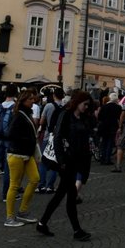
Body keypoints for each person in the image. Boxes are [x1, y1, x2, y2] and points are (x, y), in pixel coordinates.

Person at [36, 91, 93, 240]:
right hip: (65, 162)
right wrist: (61, 161)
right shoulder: (66, 115)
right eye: (84, 104)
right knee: (71, 195)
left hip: (75, 160)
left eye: (88, 105)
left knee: (61, 194)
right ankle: (77, 231)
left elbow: (85, 139)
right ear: (77, 102)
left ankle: (42, 223)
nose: (86, 107)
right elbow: (58, 137)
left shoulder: (84, 117)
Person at [4, 89, 40, 227]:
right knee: (14, 185)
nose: (33, 101)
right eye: (30, 99)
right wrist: (28, 140)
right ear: (24, 100)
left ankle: (23, 211)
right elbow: (11, 134)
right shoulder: (18, 115)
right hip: (17, 154)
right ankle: (9, 217)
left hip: (27, 153)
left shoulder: (26, 113)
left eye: (33, 99)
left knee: (35, 179)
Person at [96, 92, 122, 166]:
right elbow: (119, 118)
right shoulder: (118, 107)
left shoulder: (104, 106)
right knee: (110, 143)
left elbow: (99, 117)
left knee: (104, 142)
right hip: (113, 127)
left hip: (104, 127)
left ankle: (102, 158)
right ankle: (107, 159)